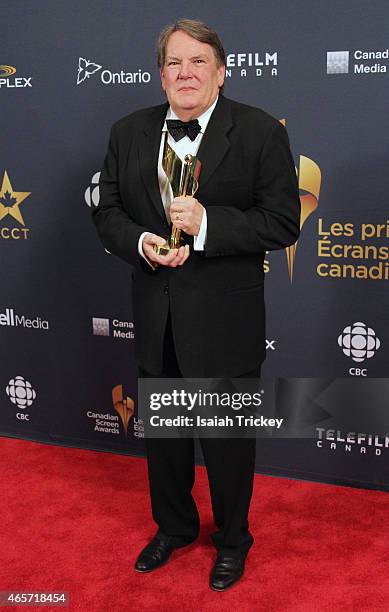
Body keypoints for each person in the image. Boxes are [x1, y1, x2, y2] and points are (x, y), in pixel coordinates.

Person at [93, 19, 300, 591]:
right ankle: (175, 528)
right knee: (165, 443)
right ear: (161, 76)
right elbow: (107, 210)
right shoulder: (128, 131)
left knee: (229, 447)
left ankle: (232, 539)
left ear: (221, 70)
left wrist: (208, 225)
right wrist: (141, 242)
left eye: (198, 61)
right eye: (175, 63)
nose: (186, 73)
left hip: (224, 324)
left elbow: (283, 221)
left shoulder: (259, 132)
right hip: (157, 318)